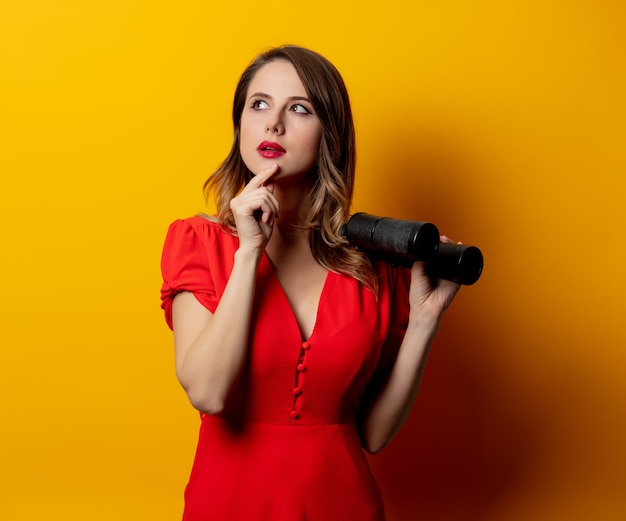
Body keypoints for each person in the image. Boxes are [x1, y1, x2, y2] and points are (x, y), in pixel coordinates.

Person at [160, 45, 460, 521]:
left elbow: (373, 435)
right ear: (239, 125)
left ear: (330, 135)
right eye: (258, 105)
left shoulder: (372, 266)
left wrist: (424, 320)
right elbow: (207, 392)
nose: (273, 124)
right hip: (228, 505)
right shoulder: (199, 242)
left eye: (299, 109)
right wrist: (249, 253)